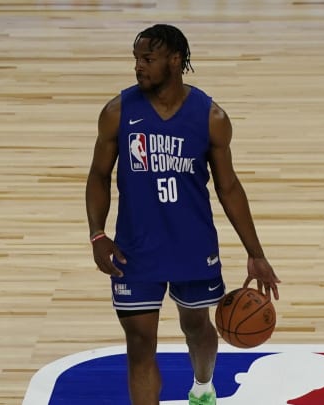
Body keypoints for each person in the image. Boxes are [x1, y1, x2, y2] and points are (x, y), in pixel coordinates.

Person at [85, 24, 281, 405]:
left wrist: (255, 253)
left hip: (192, 245)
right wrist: (97, 233)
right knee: (140, 343)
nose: (138, 67)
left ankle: (203, 387)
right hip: (135, 251)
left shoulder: (211, 117)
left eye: (148, 59)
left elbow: (228, 189)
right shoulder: (117, 112)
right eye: (136, 59)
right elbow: (98, 175)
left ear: (175, 61)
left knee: (196, 326)